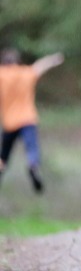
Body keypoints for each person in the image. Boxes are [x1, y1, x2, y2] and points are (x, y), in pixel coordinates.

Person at [0, 48, 65, 193]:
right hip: (27, 119)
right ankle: (33, 166)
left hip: (9, 123)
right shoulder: (25, 73)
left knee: (3, 155)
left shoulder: (2, 74)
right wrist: (53, 58)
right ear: (18, 62)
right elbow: (39, 66)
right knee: (32, 148)